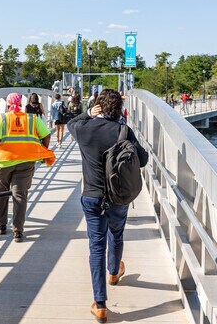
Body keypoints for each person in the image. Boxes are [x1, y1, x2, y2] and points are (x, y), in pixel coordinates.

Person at [67, 90, 149, 323]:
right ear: (120, 109)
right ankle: (114, 272)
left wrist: (87, 113)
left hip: (92, 197)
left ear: (98, 108)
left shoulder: (84, 130)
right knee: (116, 233)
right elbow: (142, 160)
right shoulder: (123, 131)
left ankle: (100, 303)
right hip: (118, 196)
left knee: (96, 246)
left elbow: (72, 121)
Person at [0, 92, 55, 242]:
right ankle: (18, 231)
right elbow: (46, 135)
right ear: (21, 103)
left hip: (3, 162)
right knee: (20, 195)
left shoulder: (1, 118)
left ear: (8, 104)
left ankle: (1, 226)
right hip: (25, 162)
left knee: (1, 193)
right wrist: (42, 149)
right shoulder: (31, 118)